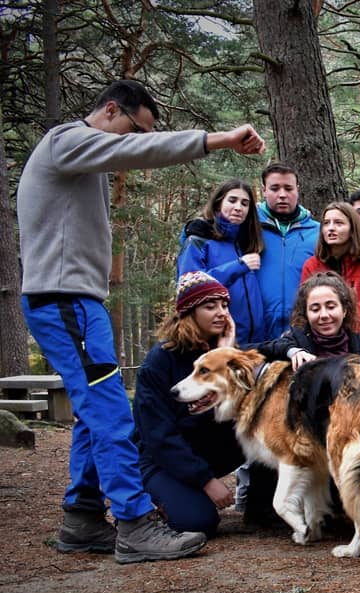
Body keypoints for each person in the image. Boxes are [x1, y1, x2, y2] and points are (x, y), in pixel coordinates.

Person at [18, 79, 263, 563]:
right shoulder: (64, 142)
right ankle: (133, 524)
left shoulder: (81, 161)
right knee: (110, 414)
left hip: (79, 301)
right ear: (110, 110)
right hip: (64, 300)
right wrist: (220, 139)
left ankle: (83, 516)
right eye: (133, 130)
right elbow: (146, 152)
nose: (134, 142)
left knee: (93, 415)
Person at [134, 272, 247, 536]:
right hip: (160, 460)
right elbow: (158, 437)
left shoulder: (222, 349)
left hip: (202, 453)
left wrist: (225, 354)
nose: (221, 313)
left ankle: (264, 503)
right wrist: (206, 481)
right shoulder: (160, 361)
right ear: (189, 313)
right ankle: (147, 505)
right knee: (197, 522)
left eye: (224, 305)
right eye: (210, 306)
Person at [177, 179, 267, 345]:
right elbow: (190, 287)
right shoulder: (199, 240)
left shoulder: (244, 241)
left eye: (245, 203)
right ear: (218, 203)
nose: (238, 207)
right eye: (232, 200)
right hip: (216, 342)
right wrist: (239, 266)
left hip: (254, 343)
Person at [301, 202, 360, 361]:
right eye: (326, 223)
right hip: (320, 354)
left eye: (339, 223)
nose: (331, 228)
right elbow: (303, 312)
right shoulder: (311, 266)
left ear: (352, 229)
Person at [259, 272, 360, 369]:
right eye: (315, 309)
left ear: (344, 310)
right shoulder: (296, 339)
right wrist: (291, 351)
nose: (324, 315)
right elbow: (249, 349)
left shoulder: (359, 346)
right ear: (306, 314)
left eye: (331, 307)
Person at [256, 162, 318, 338]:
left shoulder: (318, 232)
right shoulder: (248, 227)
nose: (282, 195)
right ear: (264, 190)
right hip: (256, 334)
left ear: (297, 189)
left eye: (288, 188)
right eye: (275, 188)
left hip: (304, 334)